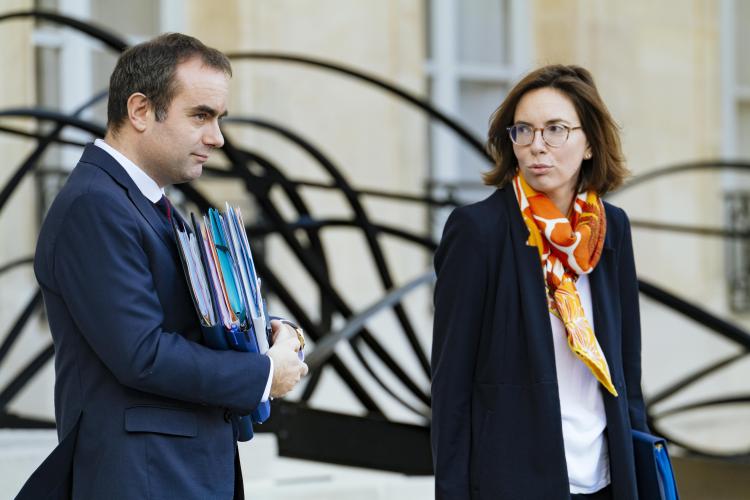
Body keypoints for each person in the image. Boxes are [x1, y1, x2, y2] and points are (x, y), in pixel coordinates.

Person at [20, 33, 308, 500]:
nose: (217, 137)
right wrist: (262, 375)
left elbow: (186, 319)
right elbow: (143, 354)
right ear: (139, 110)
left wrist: (272, 333)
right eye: (200, 115)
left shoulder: (141, 202)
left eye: (219, 118)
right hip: (146, 479)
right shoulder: (95, 204)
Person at [431, 65, 647, 499]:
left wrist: (640, 473)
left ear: (590, 143)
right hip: (515, 481)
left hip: (605, 476)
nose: (536, 146)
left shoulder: (611, 229)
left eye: (555, 130)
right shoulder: (478, 231)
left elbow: (626, 368)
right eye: (523, 130)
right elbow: (450, 385)